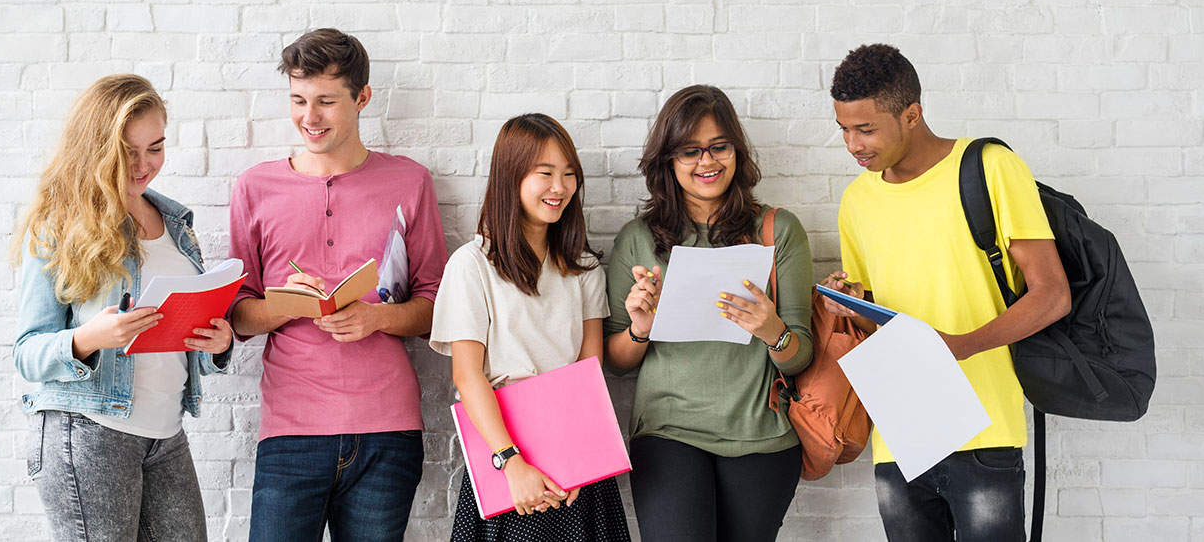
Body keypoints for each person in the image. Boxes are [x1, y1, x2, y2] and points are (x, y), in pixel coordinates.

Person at [820, 43, 1071, 542]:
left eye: (866, 128)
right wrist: (847, 303)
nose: (853, 144)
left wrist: (959, 345)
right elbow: (879, 322)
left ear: (912, 114)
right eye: (844, 129)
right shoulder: (857, 200)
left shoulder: (990, 166)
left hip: (986, 429)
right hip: (900, 435)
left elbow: (1052, 294)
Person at [228, 28, 448, 542]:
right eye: (299, 100)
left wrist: (377, 317)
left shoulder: (409, 181)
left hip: (387, 430)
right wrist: (293, 305)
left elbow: (435, 306)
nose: (310, 117)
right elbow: (238, 314)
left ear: (362, 98)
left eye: (327, 101)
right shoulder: (255, 188)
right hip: (291, 431)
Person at [11, 74, 233, 542]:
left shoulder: (176, 223)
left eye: (155, 147)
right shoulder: (59, 225)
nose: (143, 164)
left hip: (166, 433)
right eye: (127, 150)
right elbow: (27, 353)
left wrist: (218, 343)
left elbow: (183, 334)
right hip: (89, 431)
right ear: (96, 147)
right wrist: (91, 337)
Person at [605, 85, 815, 542]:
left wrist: (772, 330)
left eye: (719, 147)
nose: (707, 162)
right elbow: (615, 362)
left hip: (762, 435)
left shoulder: (777, 230)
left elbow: (800, 356)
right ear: (668, 159)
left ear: (736, 151)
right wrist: (641, 328)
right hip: (668, 431)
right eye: (690, 151)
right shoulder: (638, 239)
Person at [430, 113, 632, 542]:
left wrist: (581, 460)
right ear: (511, 177)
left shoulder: (585, 269)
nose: (559, 188)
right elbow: (467, 376)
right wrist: (511, 461)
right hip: (505, 456)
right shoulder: (472, 265)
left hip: (576, 458)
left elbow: (589, 370)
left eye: (569, 175)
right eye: (545, 174)